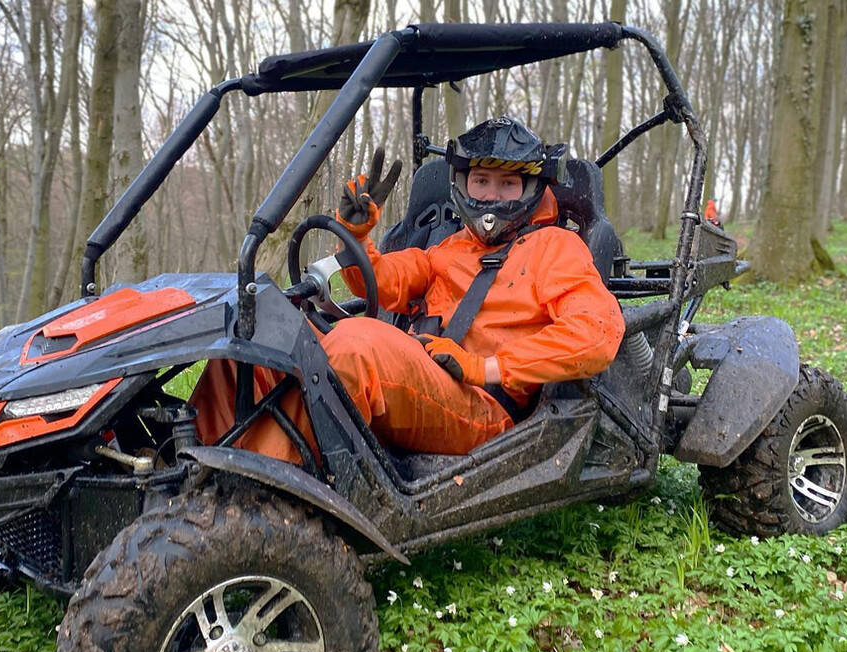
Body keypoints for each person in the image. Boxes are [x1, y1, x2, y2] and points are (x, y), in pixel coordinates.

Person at [192, 116, 624, 460]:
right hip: (425, 375)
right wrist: (357, 236)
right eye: (481, 181)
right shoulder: (451, 248)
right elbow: (381, 280)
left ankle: (256, 495)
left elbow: (597, 335)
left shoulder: (556, 248)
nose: (492, 196)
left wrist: (485, 368)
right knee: (252, 344)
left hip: (483, 407)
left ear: (530, 188)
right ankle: (191, 461)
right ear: (462, 185)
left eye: (507, 183)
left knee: (356, 347)